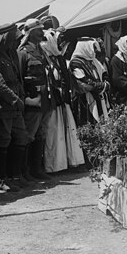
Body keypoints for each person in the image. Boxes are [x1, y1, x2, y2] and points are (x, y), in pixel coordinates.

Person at [0, 23, 29, 192]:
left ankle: (16, 175)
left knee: (22, 137)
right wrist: (15, 99)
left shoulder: (10, 55)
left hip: (15, 105)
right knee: (3, 140)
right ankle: (2, 179)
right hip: (4, 106)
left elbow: (17, 79)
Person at [40, 29, 84, 173]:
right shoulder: (43, 58)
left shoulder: (57, 58)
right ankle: (52, 165)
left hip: (62, 100)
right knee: (53, 133)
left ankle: (65, 163)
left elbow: (65, 75)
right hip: (52, 101)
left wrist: (59, 57)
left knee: (65, 132)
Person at [18, 18, 53, 182]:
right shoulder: (23, 52)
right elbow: (20, 77)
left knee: (42, 134)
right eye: (38, 30)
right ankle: (24, 171)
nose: (42, 32)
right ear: (31, 32)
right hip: (32, 99)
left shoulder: (42, 51)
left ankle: (37, 168)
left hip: (45, 98)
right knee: (29, 135)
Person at [70, 39, 111, 123]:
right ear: (85, 47)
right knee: (88, 126)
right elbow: (84, 85)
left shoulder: (93, 61)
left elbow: (104, 75)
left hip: (98, 97)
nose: (95, 50)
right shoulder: (75, 63)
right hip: (85, 101)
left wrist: (104, 84)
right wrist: (102, 85)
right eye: (93, 47)